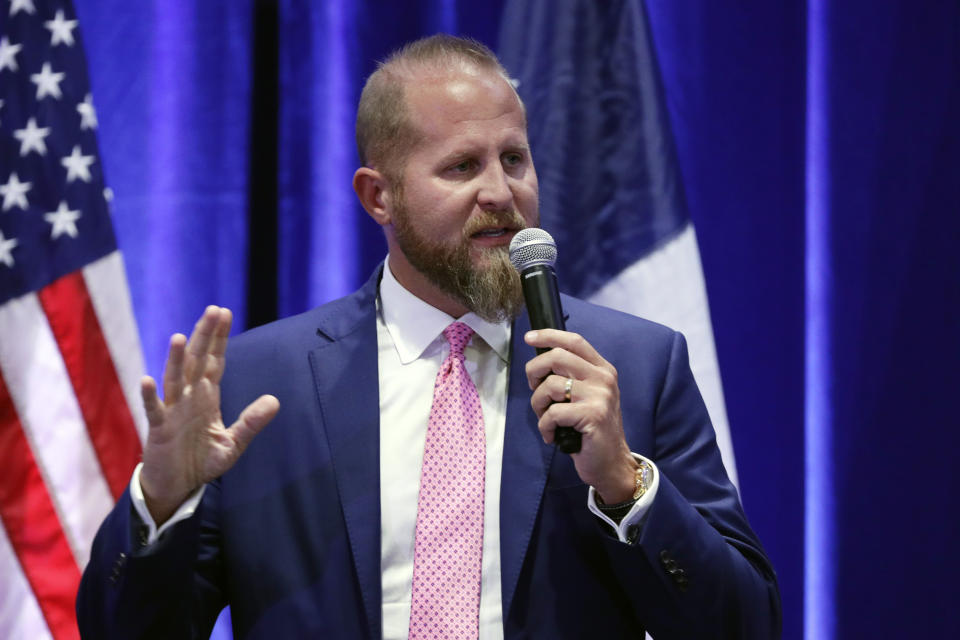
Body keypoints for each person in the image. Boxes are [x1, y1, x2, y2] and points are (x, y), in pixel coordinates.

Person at [78, 35, 780, 639]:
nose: (502, 193)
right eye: (462, 167)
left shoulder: (634, 366)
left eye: (514, 159)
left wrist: (627, 488)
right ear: (377, 196)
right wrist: (161, 506)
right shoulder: (262, 385)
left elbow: (743, 624)